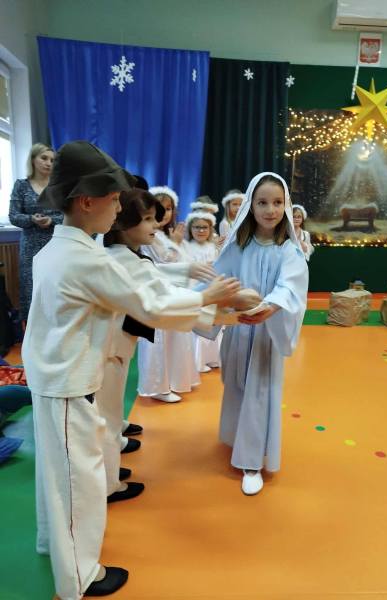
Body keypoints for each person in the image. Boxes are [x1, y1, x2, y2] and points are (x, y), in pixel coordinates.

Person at [21, 141, 240, 600]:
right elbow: (148, 303)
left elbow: (143, 287)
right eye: (114, 199)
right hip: (68, 381)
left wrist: (210, 308)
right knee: (79, 482)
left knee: (57, 476)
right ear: (86, 201)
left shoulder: (60, 250)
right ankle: (79, 576)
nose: (120, 208)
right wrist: (209, 298)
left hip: (54, 377)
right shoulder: (83, 258)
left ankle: (50, 543)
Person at [98, 188, 218, 501]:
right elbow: (157, 299)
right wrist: (210, 299)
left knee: (110, 415)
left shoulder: (126, 254)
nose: (155, 224)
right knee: (106, 418)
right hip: (106, 350)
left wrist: (191, 276)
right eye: (148, 218)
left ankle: (109, 472)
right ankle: (107, 484)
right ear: (122, 222)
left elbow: (154, 274)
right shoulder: (119, 259)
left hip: (115, 347)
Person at [209, 173, 308, 496]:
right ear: (250, 206)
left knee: (259, 393)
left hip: (266, 336)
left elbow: (291, 287)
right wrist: (211, 301)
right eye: (262, 202)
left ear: (286, 205)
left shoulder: (288, 250)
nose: (270, 210)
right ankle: (236, 439)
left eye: (278, 202)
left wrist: (270, 307)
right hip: (240, 332)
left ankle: (252, 461)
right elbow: (217, 280)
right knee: (237, 386)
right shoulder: (238, 247)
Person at [138, 186, 201, 402]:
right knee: (158, 340)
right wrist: (175, 243)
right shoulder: (151, 235)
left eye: (167, 209)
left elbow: (183, 259)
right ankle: (157, 386)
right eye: (158, 209)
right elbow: (162, 262)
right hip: (158, 293)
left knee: (175, 338)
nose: (163, 213)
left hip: (173, 292)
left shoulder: (167, 234)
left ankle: (173, 380)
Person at [8, 143, 62, 322]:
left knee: (55, 288)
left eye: (52, 160)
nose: (48, 163)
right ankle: (31, 332)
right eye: (44, 158)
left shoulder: (58, 187)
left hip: (56, 244)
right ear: (33, 159)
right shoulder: (21, 185)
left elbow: (68, 215)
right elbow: (14, 216)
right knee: (30, 290)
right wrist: (32, 219)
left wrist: (51, 220)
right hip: (30, 247)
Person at [186, 210, 222, 372]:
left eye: (204, 227)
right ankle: (198, 361)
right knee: (198, 326)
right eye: (197, 227)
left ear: (210, 229)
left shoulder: (213, 247)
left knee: (213, 324)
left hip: (212, 289)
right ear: (190, 229)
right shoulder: (186, 247)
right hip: (195, 290)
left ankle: (212, 358)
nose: (201, 230)